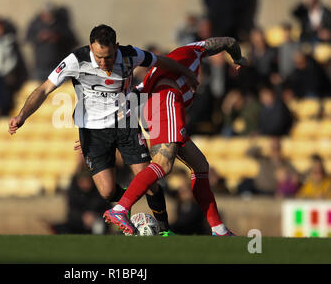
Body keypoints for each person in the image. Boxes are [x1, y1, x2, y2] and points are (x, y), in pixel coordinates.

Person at [9, 24, 198, 236]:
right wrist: (22, 116)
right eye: (98, 57)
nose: (103, 62)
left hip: (125, 124)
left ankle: (165, 231)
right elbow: (44, 88)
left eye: (108, 57)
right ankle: (128, 202)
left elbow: (160, 60)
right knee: (108, 191)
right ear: (90, 47)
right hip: (93, 132)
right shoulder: (75, 60)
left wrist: (187, 74)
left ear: (116, 47)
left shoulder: (129, 55)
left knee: (149, 179)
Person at [104, 37, 247, 235]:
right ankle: (121, 209)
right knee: (164, 164)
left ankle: (218, 228)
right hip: (167, 99)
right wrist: (238, 58)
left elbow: (129, 100)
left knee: (200, 165)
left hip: (157, 108)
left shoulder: (150, 80)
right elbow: (228, 41)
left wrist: (99, 132)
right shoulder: (191, 51)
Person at [50, 169, 111, 234]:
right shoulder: (74, 193)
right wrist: (82, 217)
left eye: (87, 181)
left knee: (99, 225)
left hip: (96, 223)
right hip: (78, 224)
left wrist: (95, 217)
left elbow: (107, 211)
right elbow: (71, 212)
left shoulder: (100, 193)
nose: (85, 184)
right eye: (82, 181)